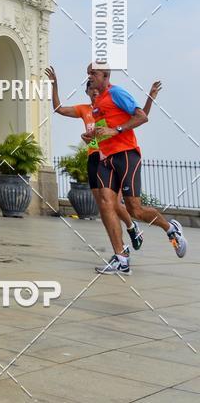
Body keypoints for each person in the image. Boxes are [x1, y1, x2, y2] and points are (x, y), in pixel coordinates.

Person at [87, 64, 186, 274]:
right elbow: (106, 128)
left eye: (92, 73)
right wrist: (93, 134)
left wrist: (116, 130)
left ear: (105, 75)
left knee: (135, 209)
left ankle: (170, 228)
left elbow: (141, 116)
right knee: (106, 204)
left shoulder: (116, 93)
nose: (89, 77)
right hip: (106, 159)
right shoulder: (97, 104)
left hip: (126, 155)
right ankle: (121, 259)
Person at [45, 66, 144, 253]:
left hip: (112, 156)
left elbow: (133, 118)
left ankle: (132, 228)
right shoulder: (85, 109)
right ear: (88, 93)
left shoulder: (109, 105)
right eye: (91, 92)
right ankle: (121, 249)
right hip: (94, 158)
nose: (94, 94)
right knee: (103, 205)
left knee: (114, 203)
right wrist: (54, 85)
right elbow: (58, 109)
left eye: (96, 91)